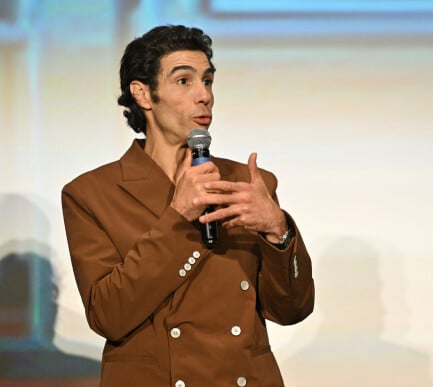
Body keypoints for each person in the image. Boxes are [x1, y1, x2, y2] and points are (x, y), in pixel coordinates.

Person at [61, 25, 315, 387]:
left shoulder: (248, 183)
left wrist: (279, 230)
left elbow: (292, 310)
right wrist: (177, 217)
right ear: (143, 94)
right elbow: (109, 316)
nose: (204, 96)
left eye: (208, 81)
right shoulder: (92, 194)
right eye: (184, 81)